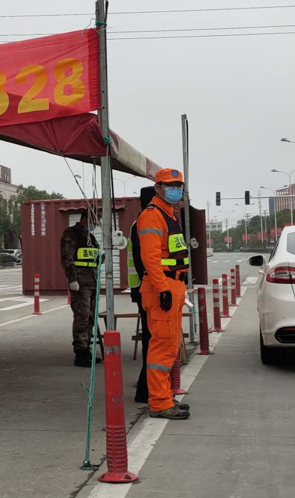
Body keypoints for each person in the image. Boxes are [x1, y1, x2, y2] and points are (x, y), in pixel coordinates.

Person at [136, 168, 192, 420]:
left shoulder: (168, 214)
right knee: (162, 346)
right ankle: (159, 402)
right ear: (157, 188)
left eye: (179, 186)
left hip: (173, 285)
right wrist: (162, 288)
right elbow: (150, 258)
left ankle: (165, 397)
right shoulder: (152, 216)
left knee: (170, 345)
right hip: (163, 287)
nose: (176, 190)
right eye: (170, 186)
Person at [60, 204, 101, 367]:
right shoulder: (71, 234)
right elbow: (67, 257)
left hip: (92, 281)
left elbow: (95, 258)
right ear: (84, 219)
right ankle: (80, 351)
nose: (94, 225)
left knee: (91, 317)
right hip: (80, 282)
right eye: (93, 222)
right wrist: (72, 279)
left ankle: (86, 348)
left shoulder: (91, 238)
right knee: (81, 317)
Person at [128, 186, 156, 403]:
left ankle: (147, 387)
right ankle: (146, 390)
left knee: (152, 339)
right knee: (152, 340)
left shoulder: (141, 222)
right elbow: (143, 260)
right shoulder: (143, 223)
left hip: (143, 288)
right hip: (146, 290)